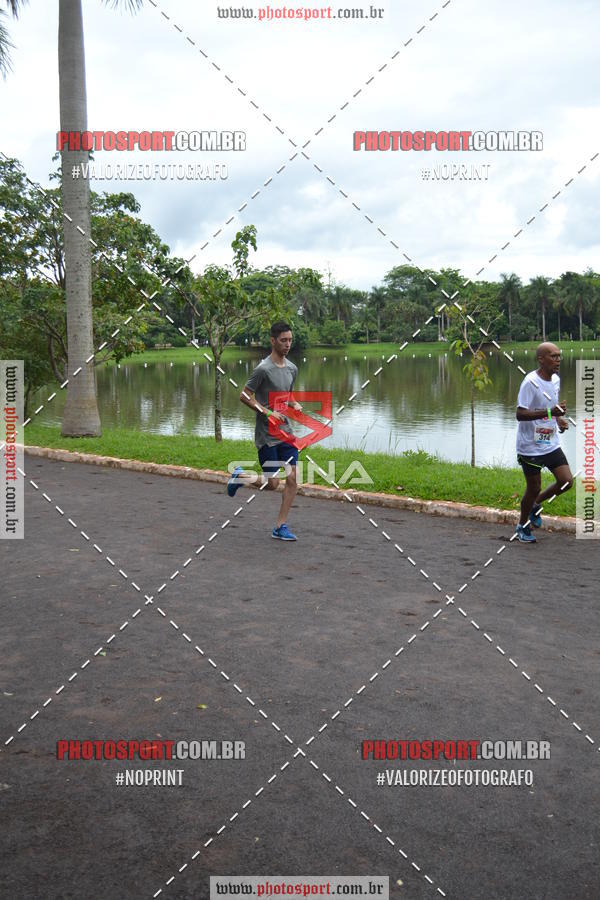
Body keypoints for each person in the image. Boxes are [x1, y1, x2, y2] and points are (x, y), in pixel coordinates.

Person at [227, 321, 302, 541]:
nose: (287, 344)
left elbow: (287, 394)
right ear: (273, 341)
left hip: (285, 432)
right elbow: (244, 396)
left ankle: (280, 526)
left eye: (290, 340)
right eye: (283, 340)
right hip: (266, 435)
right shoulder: (262, 369)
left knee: (292, 478)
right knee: (272, 483)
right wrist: (267, 413)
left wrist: (294, 404)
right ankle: (240, 476)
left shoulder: (292, 368)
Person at [515, 342, 573, 542]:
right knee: (533, 488)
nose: (558, 360)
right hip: (530, 445)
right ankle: (522, 527)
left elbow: (551, 406)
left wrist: (558, 419)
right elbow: (520, 414)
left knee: (566, 482)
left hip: (549, 441)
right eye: (553, 356)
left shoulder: (555, 380)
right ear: (541, 359)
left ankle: (535, 505)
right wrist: (551, 413)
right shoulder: (530, 382)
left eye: (559, 356)